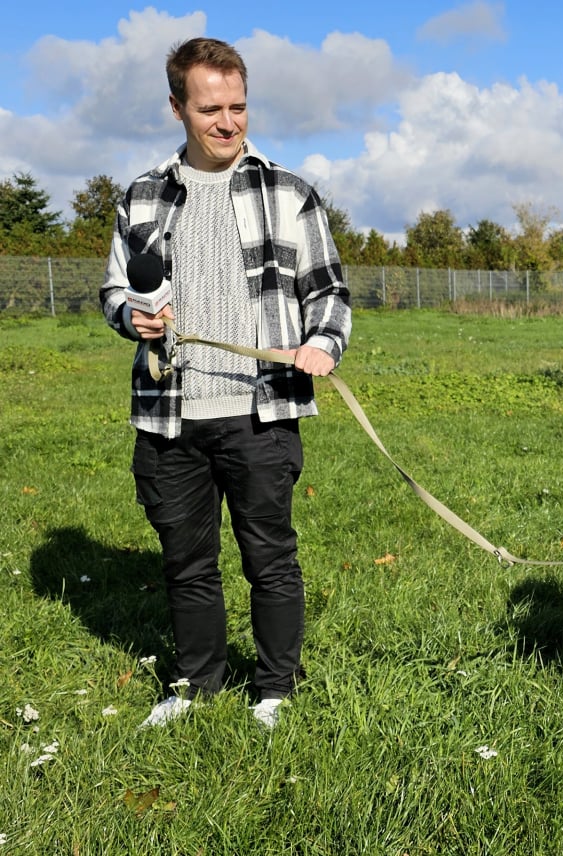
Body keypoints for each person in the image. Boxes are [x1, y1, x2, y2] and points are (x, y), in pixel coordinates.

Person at [100, 37, 351, 729]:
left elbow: (327, 290)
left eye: (238, 106)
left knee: (270, 558)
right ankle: (195, 685)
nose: (228, 122)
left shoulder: (290, 193)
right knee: (186, 562)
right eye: (211, 108)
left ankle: (274, 690)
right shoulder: (142, 197)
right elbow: (113, 291)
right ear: (176, 106)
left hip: (261, 411)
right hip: (169, 415)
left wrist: (323, 343)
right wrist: (132, 318)